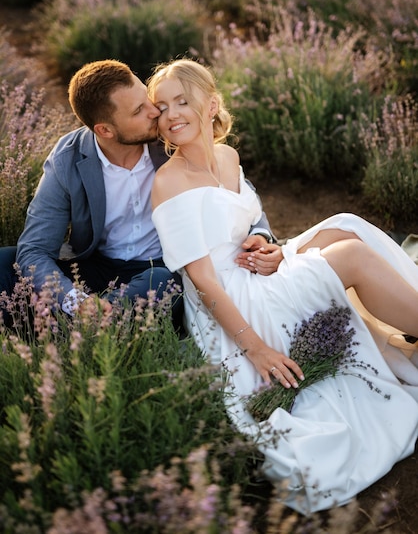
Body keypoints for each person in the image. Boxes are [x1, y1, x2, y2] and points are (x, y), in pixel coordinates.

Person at [148, 58, 418, 515]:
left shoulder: (229, 156)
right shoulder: (168, 183)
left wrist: (264, 243)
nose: (171, 114)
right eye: (161, 106)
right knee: (349, 254)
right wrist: (255, 348)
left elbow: (244, 227)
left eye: (182, 100)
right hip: (235, 303)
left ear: (211, 104)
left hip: (253, 268)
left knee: (343, 229)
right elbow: (202, 280)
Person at [0, 59, 274, 326]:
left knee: (160, 285)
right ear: (105, 130)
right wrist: (77, 301)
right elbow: (35, 249)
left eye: (147, 99)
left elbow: (233, 186)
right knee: (5, 263)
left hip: (160, 270)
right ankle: (96, 322)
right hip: (95, 266)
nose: (156, 112)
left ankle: (80, 331)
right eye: (138, 111)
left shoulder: (170, 137)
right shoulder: (68, 159)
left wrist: (259, 233)